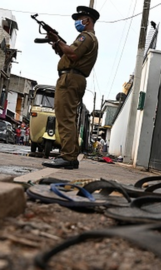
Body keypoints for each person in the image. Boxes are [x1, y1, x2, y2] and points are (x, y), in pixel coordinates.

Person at [42, 6, 100, 170]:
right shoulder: (88, 38)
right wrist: (57, 43)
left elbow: (73, 54)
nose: (77, 22)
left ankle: (67, 157)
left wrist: (58, 40)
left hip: (70, 79)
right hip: (73, 77)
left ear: (87, 20)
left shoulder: (86, 37)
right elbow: (69, 55)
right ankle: (71, 157)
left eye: (79, 19)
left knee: (65, 117)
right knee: (69, 118)